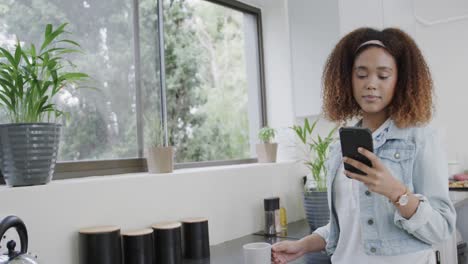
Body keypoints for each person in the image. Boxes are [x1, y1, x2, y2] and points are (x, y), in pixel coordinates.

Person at [272, 27, 456, 264]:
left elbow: (441, 228)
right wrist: (302, 246)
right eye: (361, 74)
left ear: (399, 80)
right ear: (347, 79)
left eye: (383, 75)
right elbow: (350, 226)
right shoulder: (339, 148)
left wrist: (396, 193)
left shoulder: (420, 138)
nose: (370, 84)